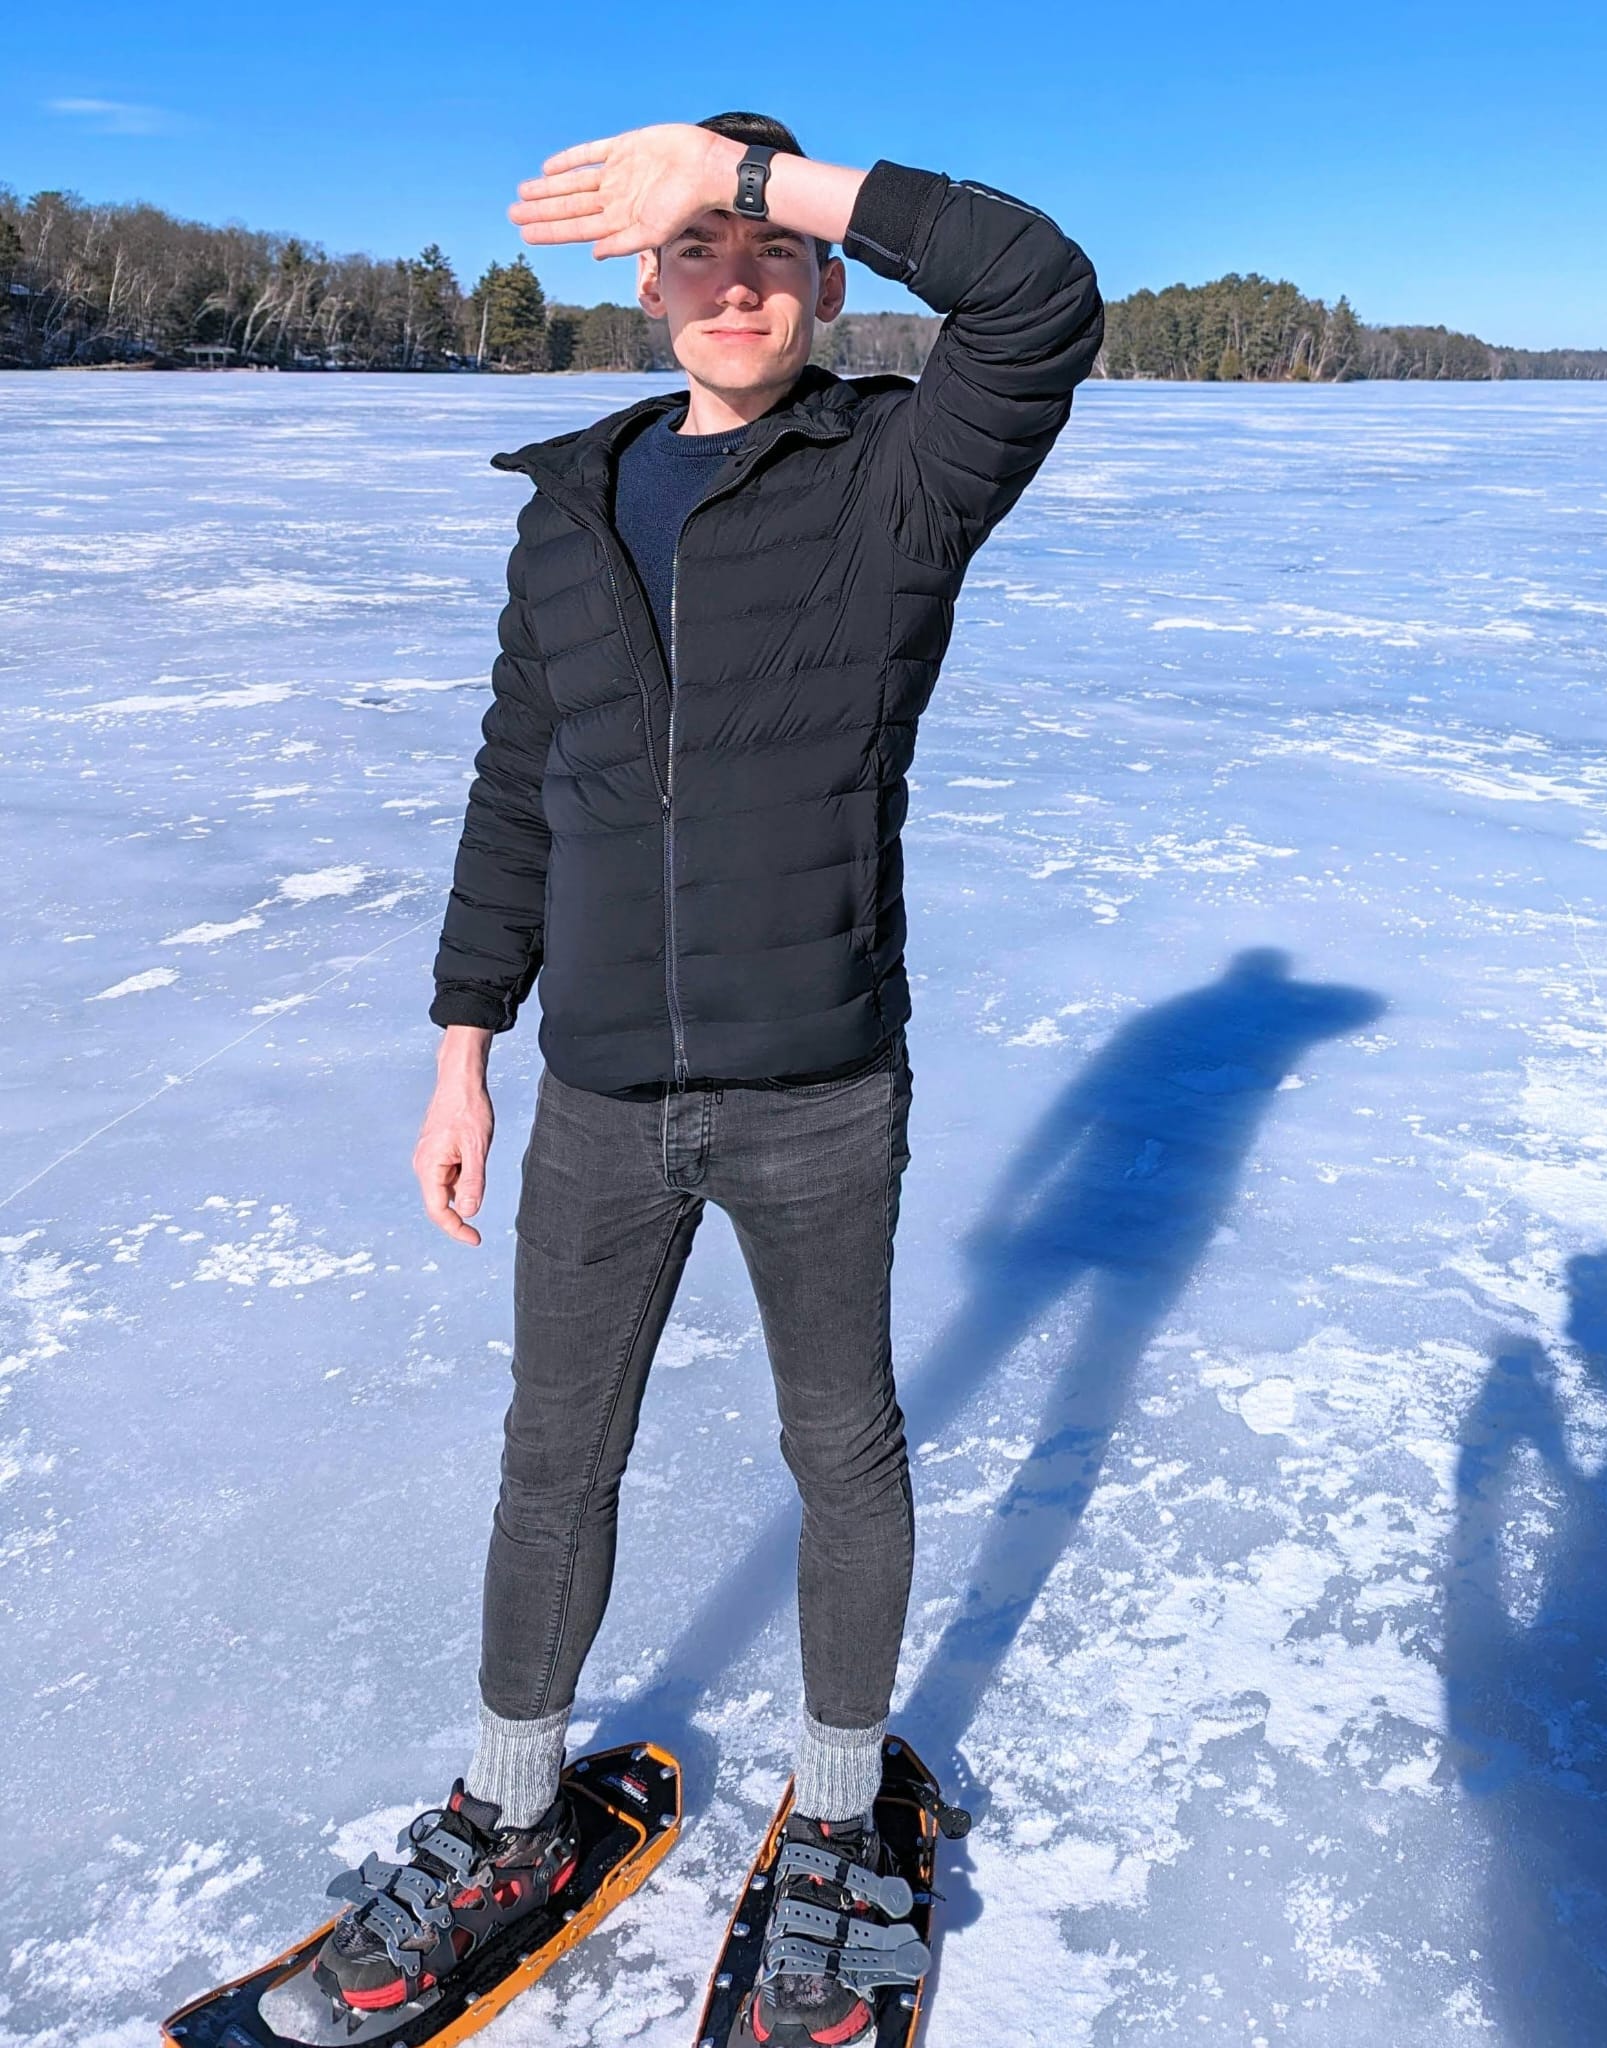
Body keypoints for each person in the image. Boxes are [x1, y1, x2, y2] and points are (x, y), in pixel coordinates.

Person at [312, 114, 1101, 2047]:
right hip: (594, 1096)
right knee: (549, 1455)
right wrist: (461, 1050)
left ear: (824, 282)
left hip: (818, 1083)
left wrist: (745, 173)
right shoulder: (571, 502)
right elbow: (522, 788)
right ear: (643, 288)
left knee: (840, 1448)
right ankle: (507, 1812)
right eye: (691, 253)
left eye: (761, 249)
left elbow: (1039, 290)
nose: (733, 282)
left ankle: (837, 1832)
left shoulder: (900, 474)